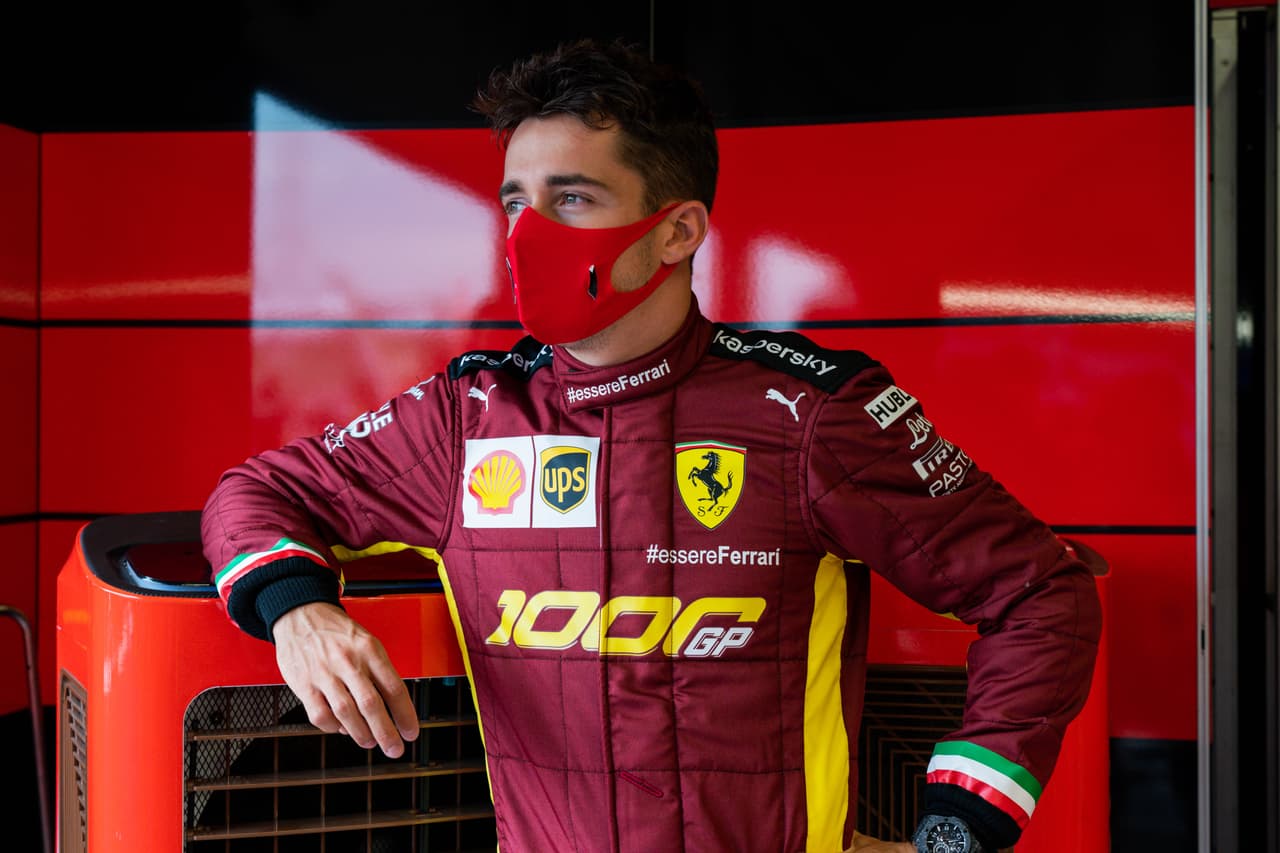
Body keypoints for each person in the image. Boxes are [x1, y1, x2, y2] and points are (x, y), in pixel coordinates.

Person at [201, 37, 1101, 853]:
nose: (528, 232)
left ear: (678, 230)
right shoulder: (465, 421)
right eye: (516, 201)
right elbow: (256, 493)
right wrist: (298, 613)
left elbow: (1040, 592)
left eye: (572, 198)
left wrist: (956, 831)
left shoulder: (811, 414)